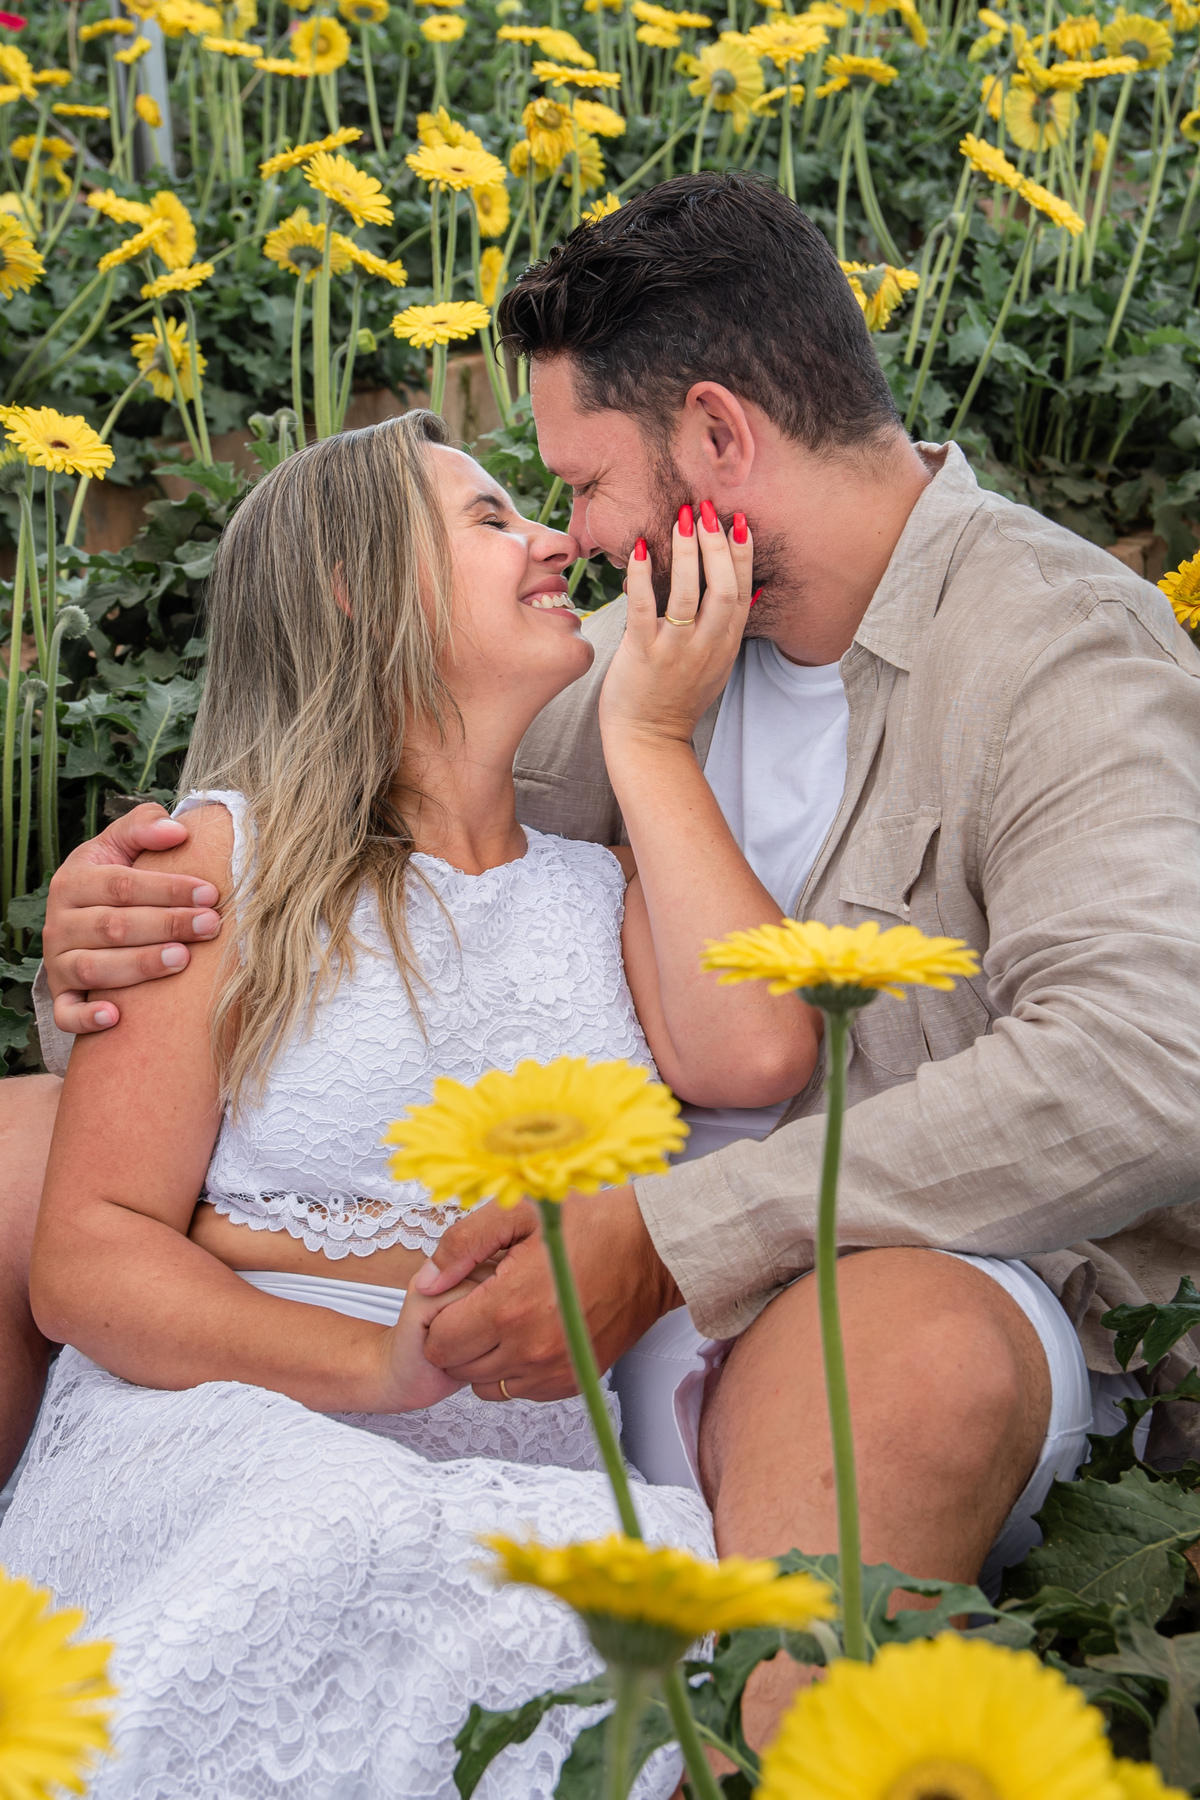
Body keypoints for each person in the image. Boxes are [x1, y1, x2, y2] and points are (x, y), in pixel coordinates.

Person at [6, 170, 1200, 1750]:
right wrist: (110, 945)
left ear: (716, 438)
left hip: (876, 1276)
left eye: (572, 480)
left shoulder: (1055, 647)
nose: (564, 531)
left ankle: (758, 1747)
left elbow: (1152, 1056)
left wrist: (684, 1230)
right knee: (26, 1147)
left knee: (882, 1341)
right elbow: (350, 843)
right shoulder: (610, 669)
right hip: (529, 1279)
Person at [0, 407, 824, 1797]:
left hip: (524, 1472)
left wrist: (651, 737)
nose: (554, 535)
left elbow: (759, 1053)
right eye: (494, 519)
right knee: (330, 1529)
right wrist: (379, 1367)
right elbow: (89, 1255)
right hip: (235, 1427)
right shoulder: (220, 861)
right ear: (354, 587)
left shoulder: (599, 893)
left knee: (630, 1615)